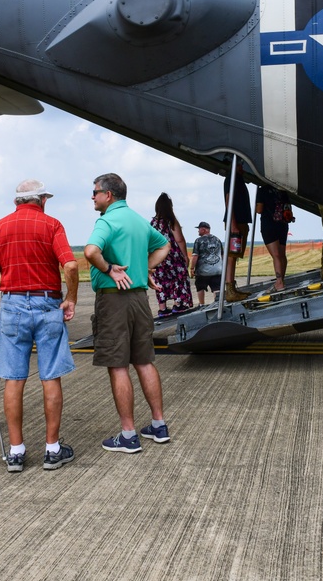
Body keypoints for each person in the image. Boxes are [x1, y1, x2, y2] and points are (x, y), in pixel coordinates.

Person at [0, 180, 79, 473]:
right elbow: (72, 266)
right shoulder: (52, 225)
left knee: (14, 379)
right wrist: (71, 298)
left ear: (16, 202)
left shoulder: (0, 227)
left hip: (11, 305)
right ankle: (52, 449)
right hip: (47, 303)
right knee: (50, 377)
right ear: (42, 201)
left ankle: (16, 451)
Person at [84, 173, 172, 453]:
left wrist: (109, 268)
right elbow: (165, 245)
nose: (93, 197)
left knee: (118, 365)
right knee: (145, 361)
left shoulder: (107, 221)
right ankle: (158, 426)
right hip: (139, 299)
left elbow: (89, 251)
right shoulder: (137, 220)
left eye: (95, 192)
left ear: (108, 195)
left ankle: (128, 435)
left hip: (114, 300)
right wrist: (145, 267)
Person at [150, 193, 193, 317]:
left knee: (160, 281)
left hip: (157, 257)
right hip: (172, 256)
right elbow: (179, 240)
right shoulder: (171, 221)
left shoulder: (152, 223)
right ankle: (178, 304)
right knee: (179, 278)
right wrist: (185, 256)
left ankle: (162, 309)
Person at [222, 157, 252, 302]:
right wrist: (233, 225)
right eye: (241, 165)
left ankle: (232, 287)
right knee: (231, 256)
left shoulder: (237, 179)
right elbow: (229, 201)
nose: (243, 168)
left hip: (240, 222)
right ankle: (230, 290)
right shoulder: (231, 179)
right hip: (235, 222)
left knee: (234, 255)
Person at [255, 185, 292, 292]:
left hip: (269, 225)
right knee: (282, 255)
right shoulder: (282, 190)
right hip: (282, 225)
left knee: (276, 255)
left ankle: (279, 283)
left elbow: (259, 210)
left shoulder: (263, 190)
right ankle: (281, 281)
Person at [189, 221, 222, 305]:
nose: (198, 231)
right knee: (216, 288)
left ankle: (201, 304)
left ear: (203, 229)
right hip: (217, 270)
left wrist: (192, 268)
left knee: (200, 287)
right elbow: (222, 254)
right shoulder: (217, 240)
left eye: (199, 229)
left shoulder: (198, 241)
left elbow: (195, 256)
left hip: (202, 271)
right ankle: (217, 304)